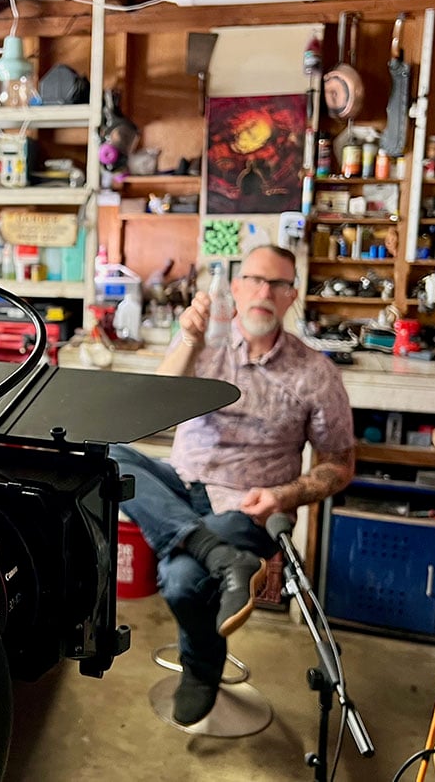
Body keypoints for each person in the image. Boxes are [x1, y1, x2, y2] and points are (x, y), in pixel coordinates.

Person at [111, 245, 355, 726]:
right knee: (108, 453)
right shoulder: (205, 345)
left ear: (293, 297)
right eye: (256, 279)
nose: (265, 292)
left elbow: (340, 464)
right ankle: (219, 556)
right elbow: (155, 407)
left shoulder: (316, 374)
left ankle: (201, 668)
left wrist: (285, 496)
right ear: (236, 287)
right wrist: (187, 339)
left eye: (279, 284)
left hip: (250, 505)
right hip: (181, 484)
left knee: (181, 580)